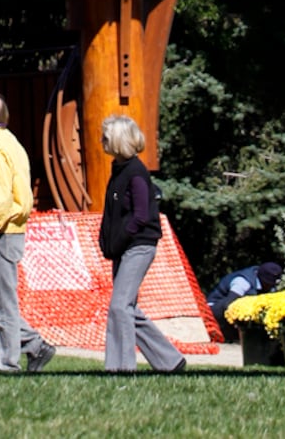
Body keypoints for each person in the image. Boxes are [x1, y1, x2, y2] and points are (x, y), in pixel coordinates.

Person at [0, 90, 55, 374]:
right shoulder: (11, 142)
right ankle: (35, 345)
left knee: (1, 305)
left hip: (1, 230)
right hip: (8, 228)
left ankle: (9, 365)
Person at [96, 113, 186, 374]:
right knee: (129, 309)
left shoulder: (136, 173)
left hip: (139, 247)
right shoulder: (118, 170)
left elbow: (142, 215)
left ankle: (121, 368)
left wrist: (123, 236)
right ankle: (170, 361)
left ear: (119, 140)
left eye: (106, 137)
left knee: (119, 305)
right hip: (122, 250)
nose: (102, 141)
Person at [205, 261, 283, 340]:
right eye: (269, 285)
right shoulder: (243, 282)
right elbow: (228, 304)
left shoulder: (269, 285)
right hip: (213, 309)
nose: (271, 288)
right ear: (263, 280)